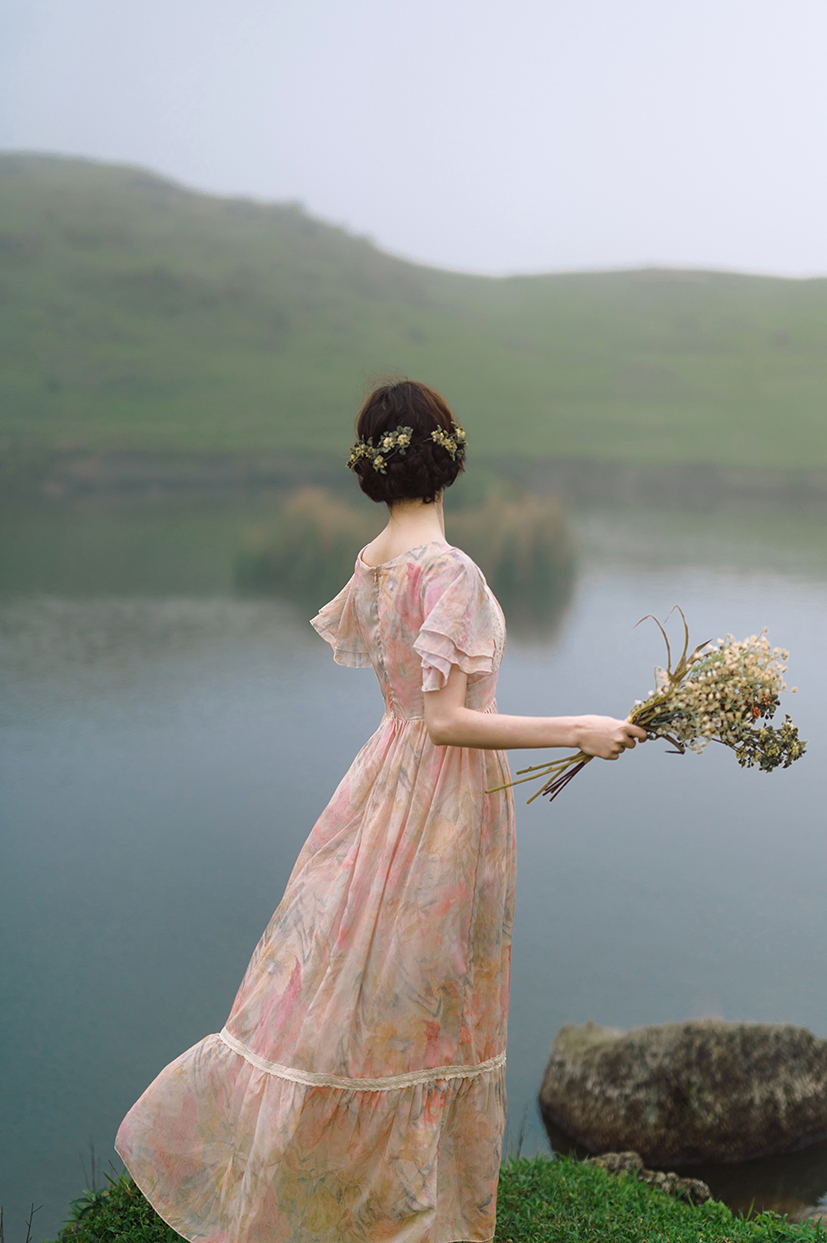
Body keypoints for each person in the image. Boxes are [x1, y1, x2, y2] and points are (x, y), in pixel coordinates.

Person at [115, 379, 645, 1243]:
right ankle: (403, 1216)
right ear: (449, 452)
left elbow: (412, 712)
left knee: (354, 993)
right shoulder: (451, 573)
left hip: (380, 787)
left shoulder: (374, 563)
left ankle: (359, 1196)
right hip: (441, 805)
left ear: (373, 462)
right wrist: (574, 729)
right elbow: (444, 721)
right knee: (426, 1003)